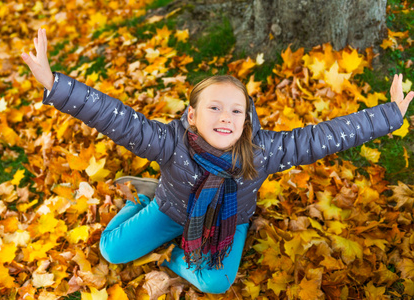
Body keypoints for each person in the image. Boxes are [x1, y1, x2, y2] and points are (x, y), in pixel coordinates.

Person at [21, 28, 414, 294]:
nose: (225, 117)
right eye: (214, 108)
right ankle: (139, 202)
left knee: (216, 283)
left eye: (235, 111)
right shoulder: (169, 142)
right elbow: (117, 118)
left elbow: (322, 137)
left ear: (246, 120)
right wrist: (57, 86)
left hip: (229, 219)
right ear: (192, 115)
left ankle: (177, 253)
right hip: (172, 208)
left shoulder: (262, 152)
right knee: (111, 251)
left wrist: (388, 115)